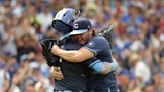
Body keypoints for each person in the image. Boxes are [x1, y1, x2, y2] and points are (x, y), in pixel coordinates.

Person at [50, 8, 118, 91]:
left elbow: (79, 57)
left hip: (105, 87)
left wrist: (114, 65)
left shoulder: (96, 41)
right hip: (91, 87)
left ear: (90, 31)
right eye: (76, 34)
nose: (79, 37)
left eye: (81, 33)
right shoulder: (77, 45)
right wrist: (54, 69)